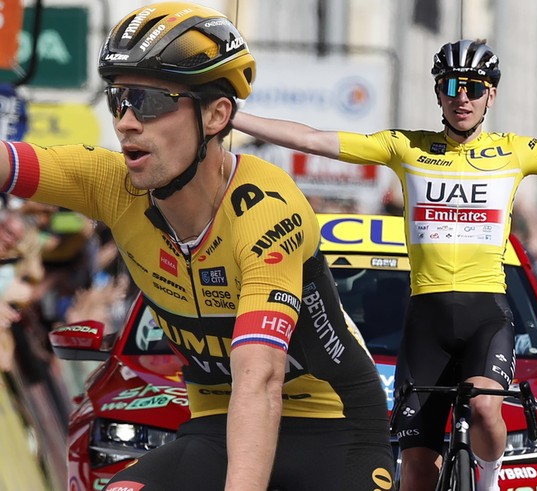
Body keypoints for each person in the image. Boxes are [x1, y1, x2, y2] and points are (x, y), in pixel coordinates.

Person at [0, 3, 394, 490]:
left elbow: (260, 378)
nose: (125, 121)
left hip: (334, 431)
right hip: (217, 427)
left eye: (148, 101)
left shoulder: (266, 207)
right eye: (118, 98)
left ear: (216, 114)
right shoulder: (110, 185)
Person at [233, 39, 537, 491]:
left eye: (474, 87)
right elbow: (315, 139)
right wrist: (230, 116)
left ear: (492, 94)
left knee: (487, 408)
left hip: (486, 313)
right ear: (438, 93)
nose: (462, 97)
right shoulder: (406, 148)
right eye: (451, 85)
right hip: (426, 319)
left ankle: (488, 480)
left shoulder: (515, 151)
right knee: (415, 468)